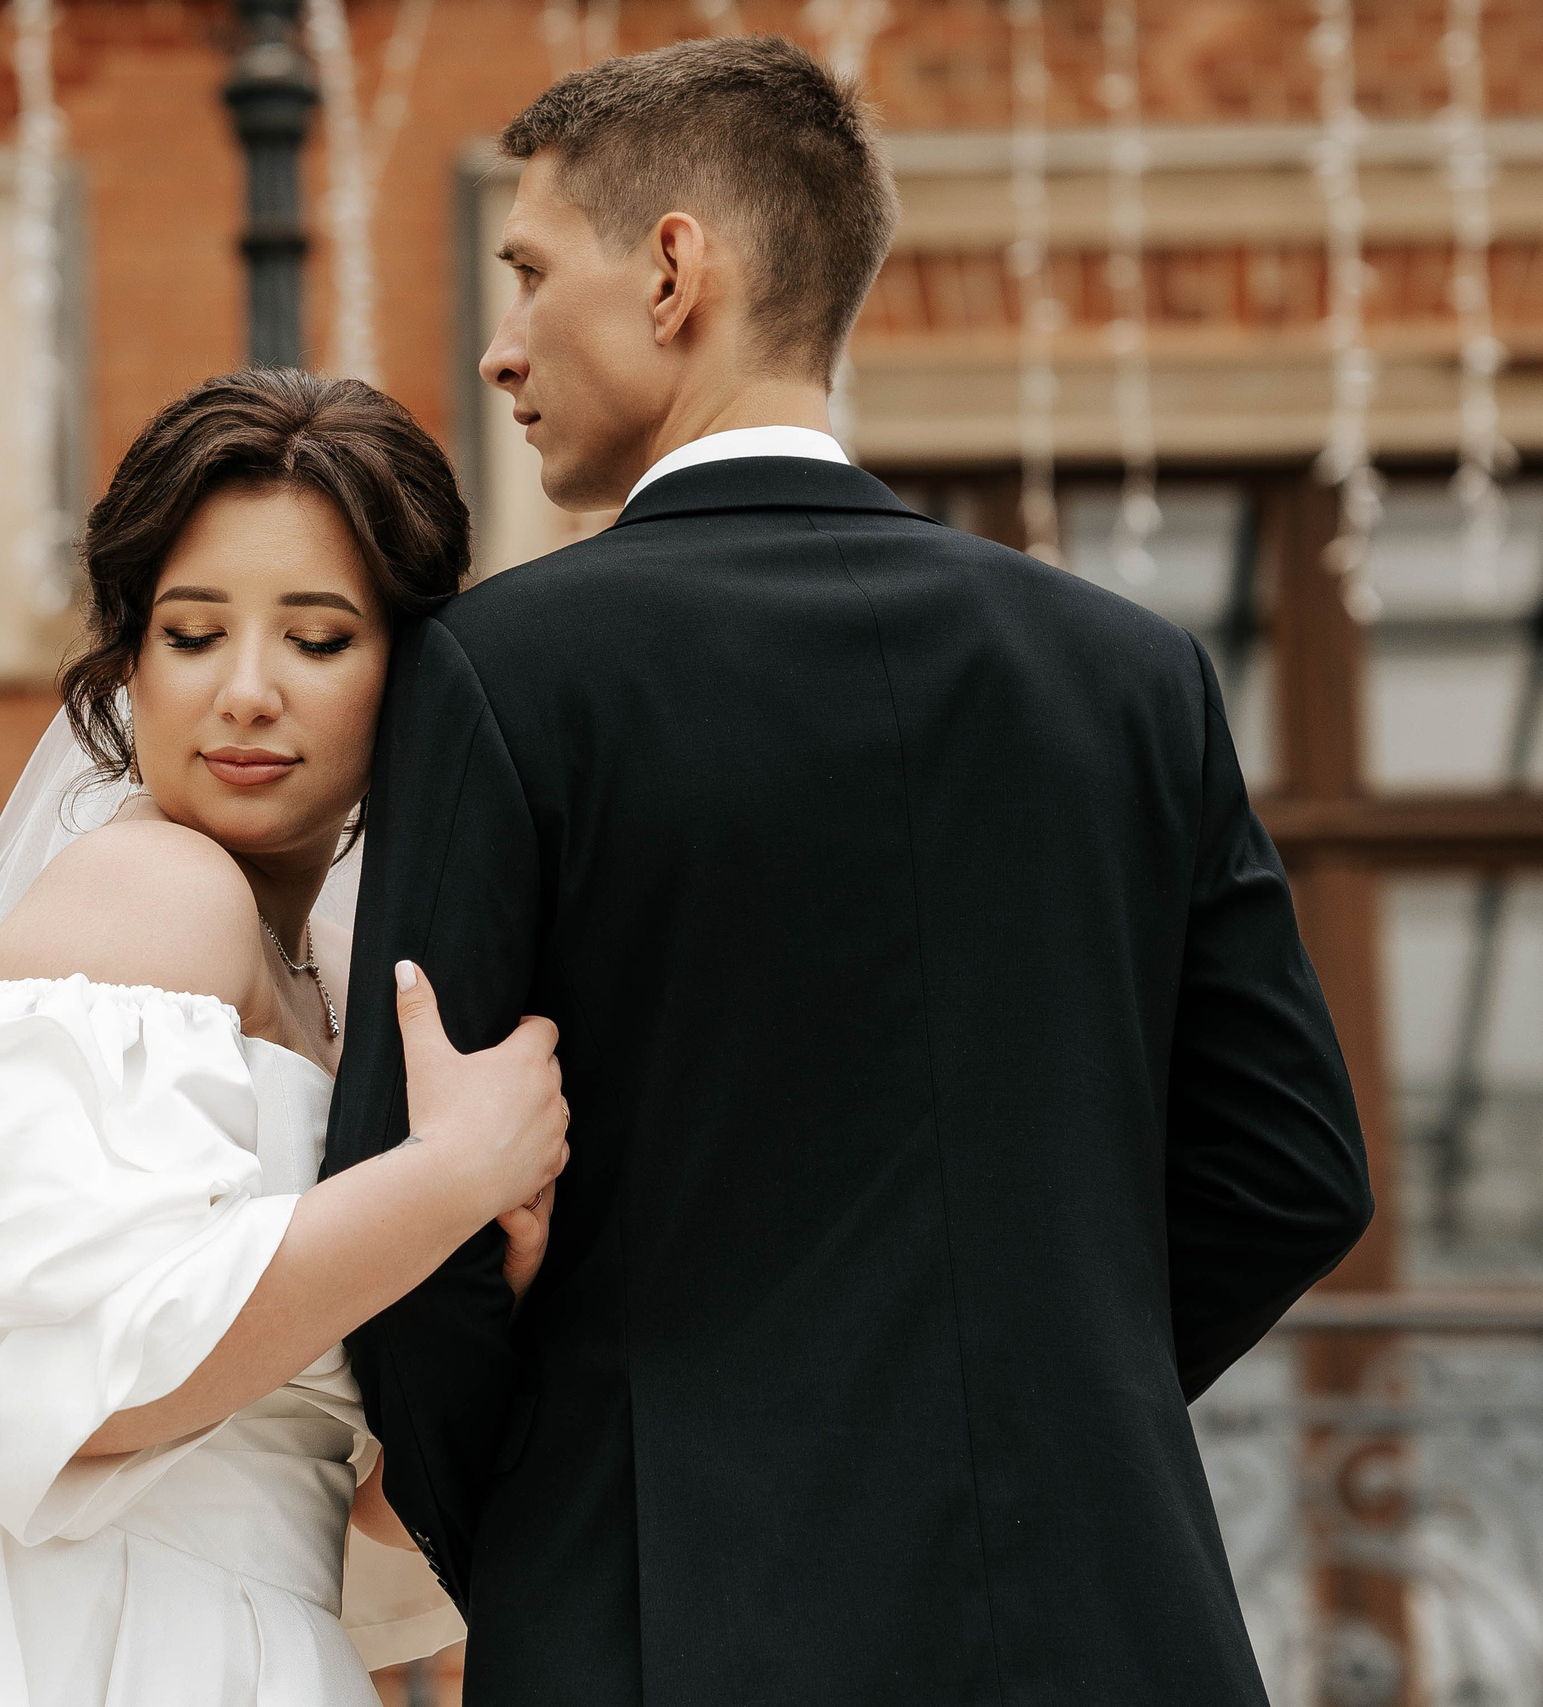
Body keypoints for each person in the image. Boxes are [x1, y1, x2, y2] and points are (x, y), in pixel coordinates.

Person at [323, 34, 1376, 1707]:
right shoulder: (1130, 674)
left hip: (662, 1616)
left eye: (530, 274)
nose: (499, 346)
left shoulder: (505, 670)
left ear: (676, 269)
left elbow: (405, 1216)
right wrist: (1050, 1401)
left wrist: (541, 1512)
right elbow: (1294, 1172)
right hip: (1106, 1624)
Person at [0, 368, 565, 1706]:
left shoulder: (338, 977)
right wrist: (446, 1178)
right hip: (59, 1647)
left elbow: (362, 1569)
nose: (246, 694)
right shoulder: (146, 893)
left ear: (412, 676)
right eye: (193, 632)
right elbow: (51, 1392)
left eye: (320, 640)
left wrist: (482, 1283)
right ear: (128, 661)